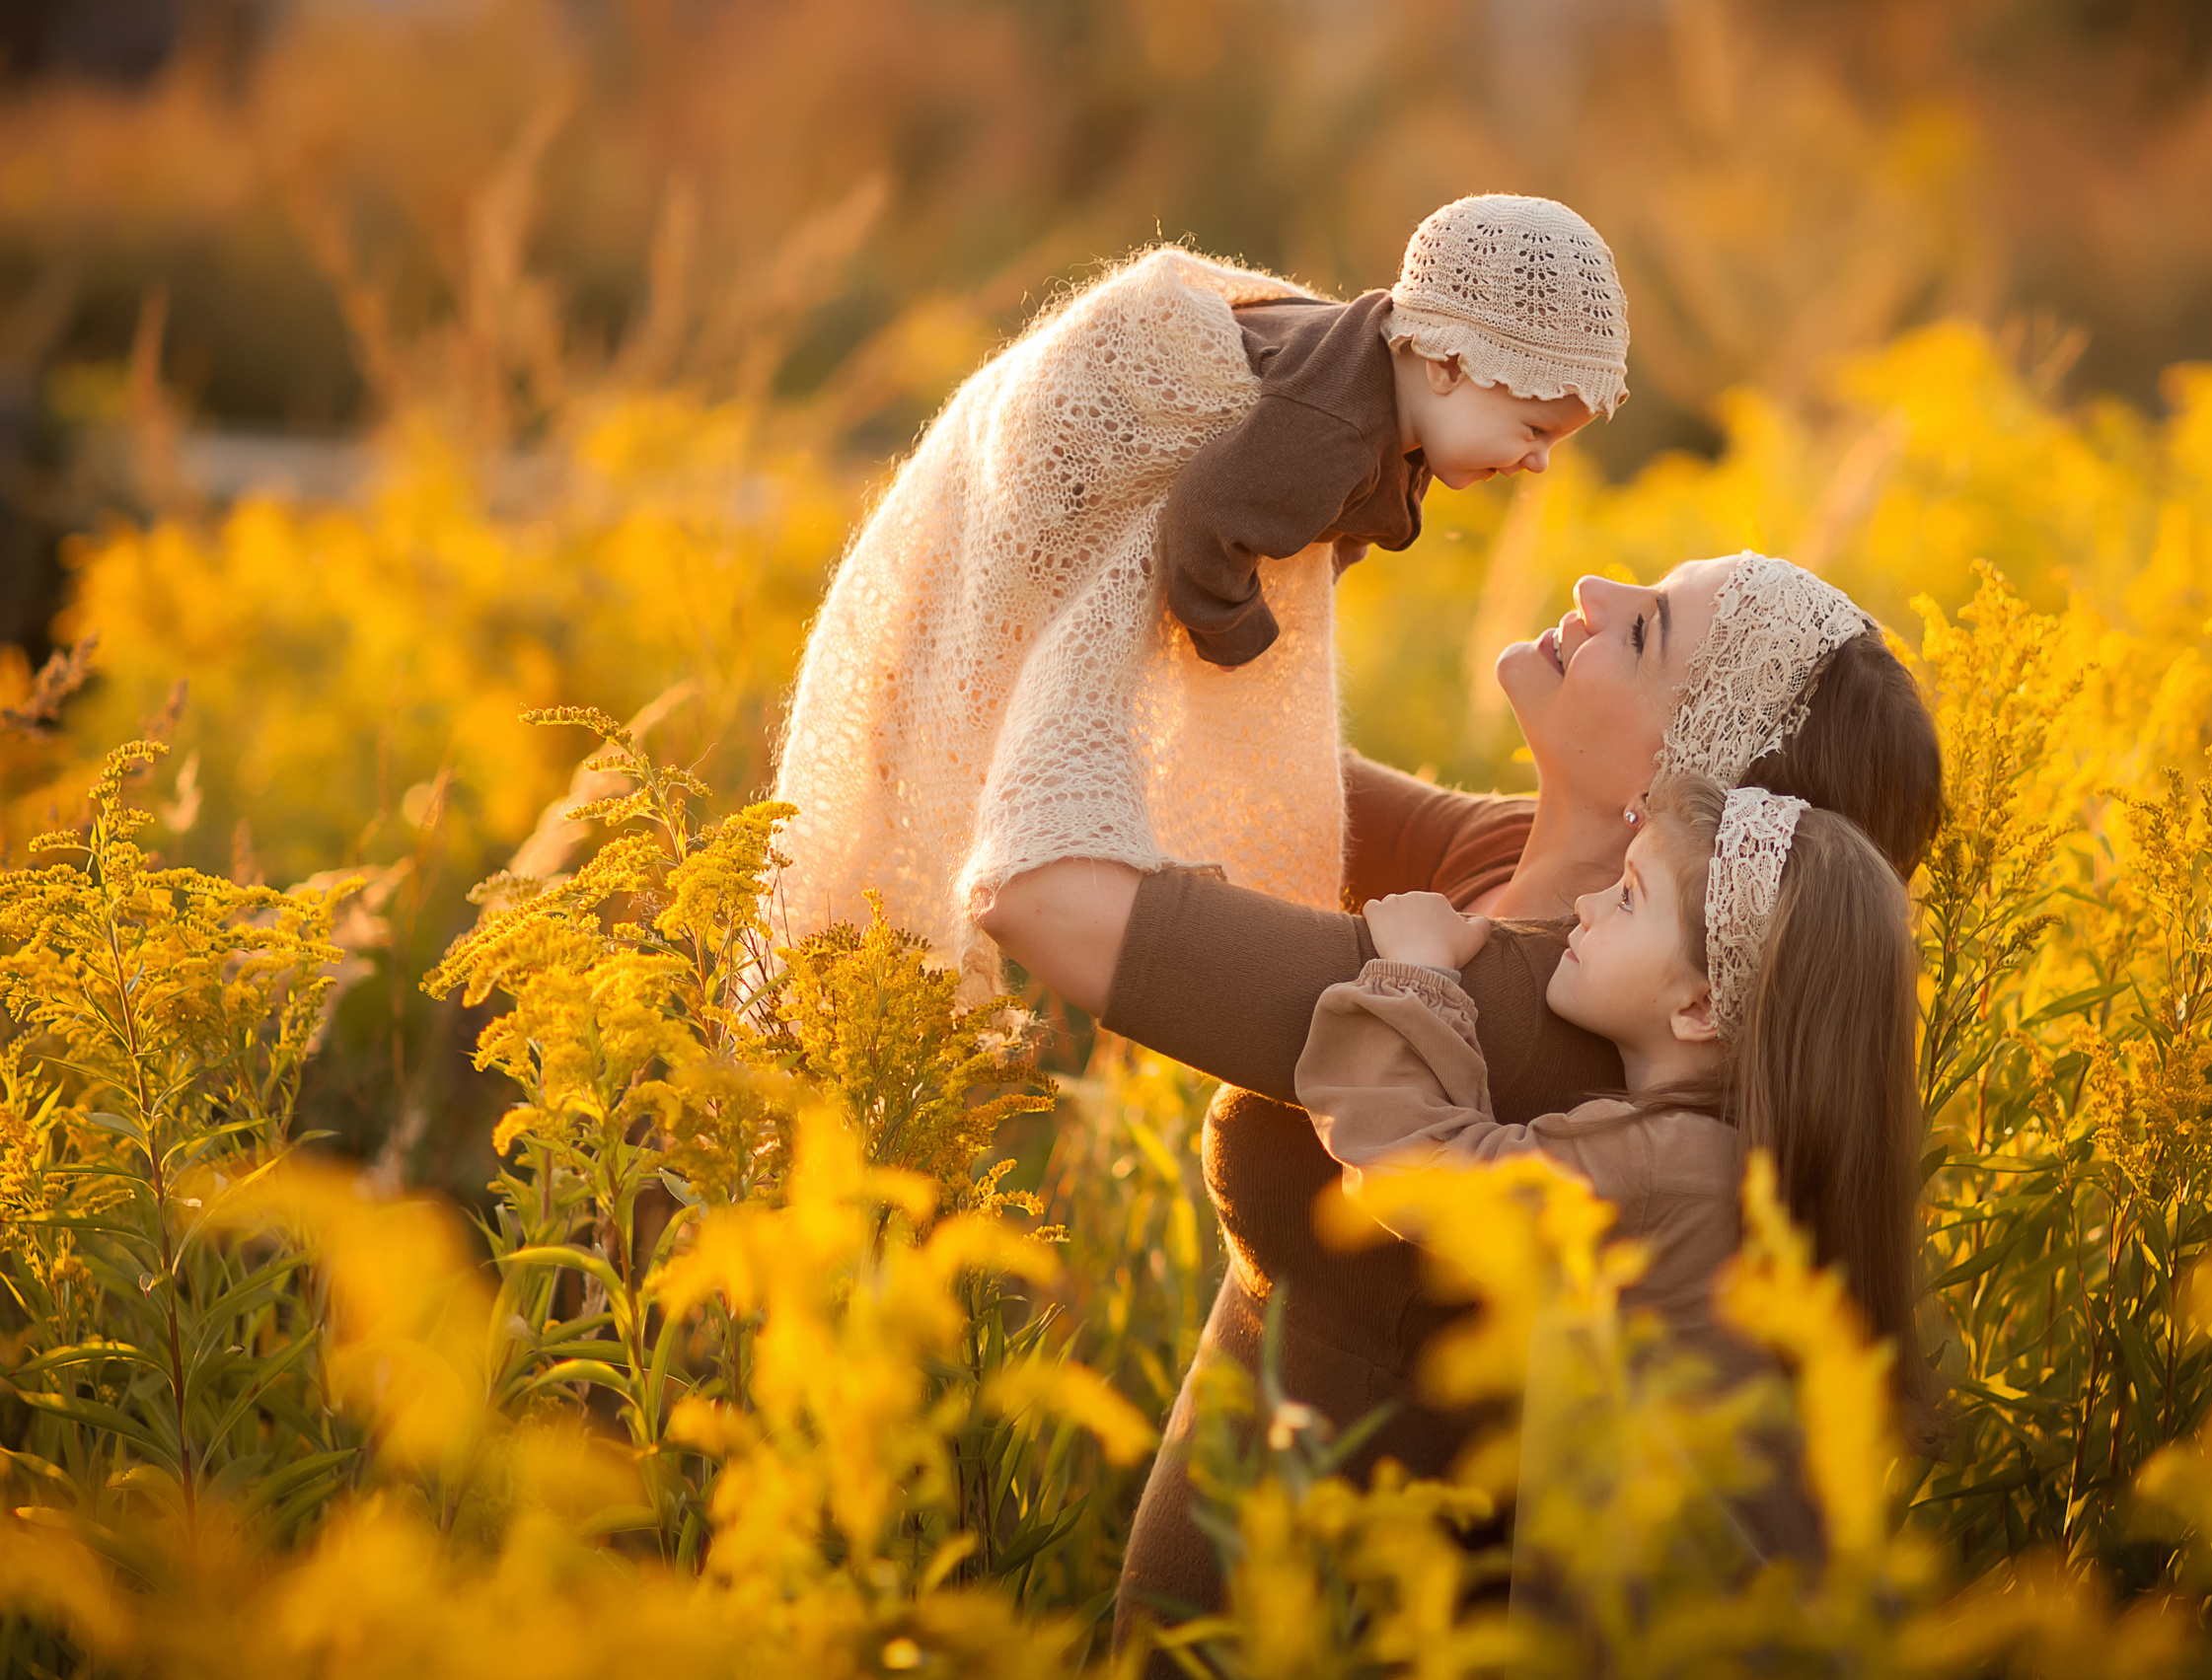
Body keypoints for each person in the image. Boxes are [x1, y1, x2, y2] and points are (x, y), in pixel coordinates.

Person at [978, 551, 1943, 1630]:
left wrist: (1005, 614)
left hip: (1310, 1629)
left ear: (1680, 784)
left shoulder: (1520, 1011)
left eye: (1643, 631)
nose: (1594, 591)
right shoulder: (1516, 858)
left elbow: (1039, 900)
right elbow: (1221, 749)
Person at [767, 195, 1629, 985]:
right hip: (1066, 465)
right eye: (1533, 428)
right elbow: (1204, 529)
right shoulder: (1332, 426)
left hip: (1052, 430)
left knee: (962, 706)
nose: (1539, 461)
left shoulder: (1377, 387)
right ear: (1445, 364)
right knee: (1008, 715)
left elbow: (1321, 521)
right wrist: (1243, 644)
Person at [1293, 769, 1929, 1567]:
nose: (1587, 904)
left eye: (1628, 896)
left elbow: (1431, 1176)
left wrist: (1420, 970)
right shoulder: (1743, 1162)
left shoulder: (1671, 1164)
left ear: (1699, 1008)